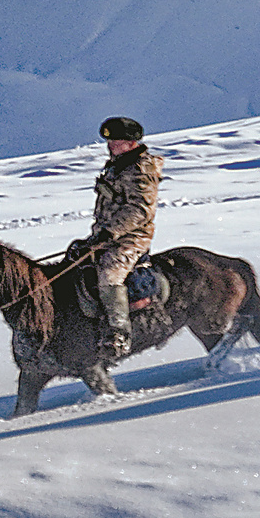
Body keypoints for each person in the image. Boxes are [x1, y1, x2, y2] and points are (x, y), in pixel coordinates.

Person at [88, 116, 161, 363]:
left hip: (132, 238)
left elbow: (140, 210)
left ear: (131, 143)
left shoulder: (140, 168)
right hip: (106, 235)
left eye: (116, 141)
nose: (110, 145)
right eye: (109, 141)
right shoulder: (116, 165)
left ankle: (119, 333)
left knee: (110, 274)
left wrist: (111, 231)